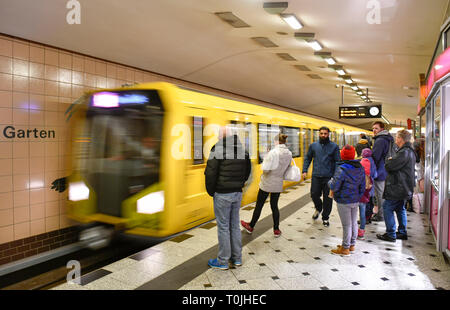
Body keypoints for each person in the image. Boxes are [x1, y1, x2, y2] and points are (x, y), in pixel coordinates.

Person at [205, 127, 252, 270]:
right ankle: (237, 258)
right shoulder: (242, 150)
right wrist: (239, 184)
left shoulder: (217, 149)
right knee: (234, 226)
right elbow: (247, 171)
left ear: (221, 137)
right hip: (237, 193)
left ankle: (222, 261)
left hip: (222, 194)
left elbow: (210, 173)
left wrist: (212, 191)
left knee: (223, 227)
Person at [241, 134, 292, 238]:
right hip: (278, 184)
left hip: (267, 183)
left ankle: (251, 226)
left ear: (276, 142)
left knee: (259, 205)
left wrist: (265, 158)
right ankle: (276, 229)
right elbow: (287, 168)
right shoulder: (289, 153)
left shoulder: (273, 153)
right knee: (274, 206)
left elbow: (266, 170)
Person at [376, 130, 416, 242]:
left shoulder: (404, 152)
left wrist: (389, 161)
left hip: (397, 186)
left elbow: (390, 166)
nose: (396, 140)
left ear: (401, 139)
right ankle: (402, 232)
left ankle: (391, 234)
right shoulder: (409, 151)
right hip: (404, 186)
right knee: (400, 208)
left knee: (387, 208)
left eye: (397, 137)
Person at [328, 145, 366, 256]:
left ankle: (345, 248)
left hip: (344, 201)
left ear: (342, 155)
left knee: (346, 225)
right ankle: (351, 245)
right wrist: (358, 196)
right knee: (353, 222)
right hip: (355, 200)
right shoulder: (360, 167)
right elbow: (362, 186)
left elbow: (334, 186)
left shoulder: (342, 168)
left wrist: (329, 181)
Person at [302, 126, 341, 227]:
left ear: (329, 134)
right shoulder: (313, 146)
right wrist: (304, 170)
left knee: (328, 199)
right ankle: (318, 208)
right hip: (316, 176)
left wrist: (336, 176)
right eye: (321, 133)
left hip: (329, 177)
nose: (323, 135)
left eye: (325, 134)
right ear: (318, 134)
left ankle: (325, 217)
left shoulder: (334, 146)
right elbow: (308, 158)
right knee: (314, 194)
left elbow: (338, 162)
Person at [370, 121, 395, 222]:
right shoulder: (388, 138)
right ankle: (383, 214)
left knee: (379, 194)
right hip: (386, 169)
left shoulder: (380, 140)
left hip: (380, 171)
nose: (374, 130)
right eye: (373, 128)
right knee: (382, 193)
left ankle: (381, 215)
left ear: (382, 129)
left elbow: (375, 156)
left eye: (376, 128)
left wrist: (371, 168)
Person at [357, 148, 377, 240]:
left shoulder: (362, 162)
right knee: (368, 204)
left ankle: (357, 230)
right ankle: (363, 228)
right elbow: (375, 174)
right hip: (369, 191)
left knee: (360, 212)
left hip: (360, 196)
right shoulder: (372, 162)